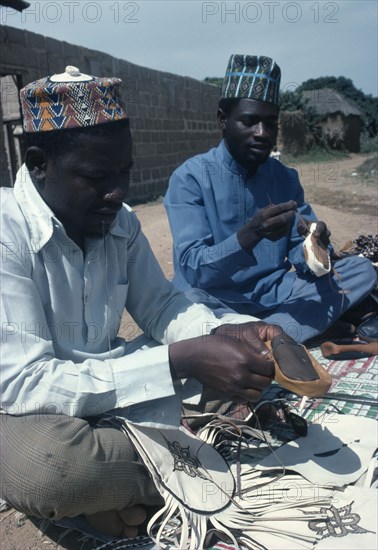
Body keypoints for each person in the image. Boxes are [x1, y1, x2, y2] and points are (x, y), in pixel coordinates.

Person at [0, 65, 284, 539]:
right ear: (37, 163)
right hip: (23, 404)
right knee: (54, 470)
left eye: (125, 173)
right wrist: (177, 362)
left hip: (105, 385)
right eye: (96, 177)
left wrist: (218, 335)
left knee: (247, 369)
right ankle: (180, 467)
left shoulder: (120, 221)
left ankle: (129, 489)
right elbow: (26, 382)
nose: (117, 192)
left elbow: (160, 306)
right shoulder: (7, 232)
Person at [164, 54, 377, 344]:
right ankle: (280, 333)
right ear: (223, 120)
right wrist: (250, 235)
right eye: (249, 122)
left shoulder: (284, 178)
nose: (262, 134)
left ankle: (256, 337)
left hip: (275, 293)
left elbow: (302, 260)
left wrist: (315, 246)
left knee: (359, 270)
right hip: (212, 299)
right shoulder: (189, 178)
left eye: (270, 123)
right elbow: (194, 268)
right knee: (183, 304)